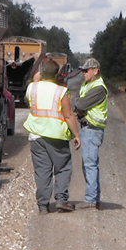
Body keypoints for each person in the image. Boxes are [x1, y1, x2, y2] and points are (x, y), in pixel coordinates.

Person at [23, 60, 81, 214]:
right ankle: (61, 200)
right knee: (63, 168)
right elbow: (68, 115)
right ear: (56, 75)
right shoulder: (60, 91)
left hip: (36, 136)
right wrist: (76, 134)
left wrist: (38, 76)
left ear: (41, 73)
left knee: (42, 171)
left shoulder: (32, 88)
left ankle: (43, 206)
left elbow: (30, 94)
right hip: (57, 136)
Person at [74, 58, 108, 210]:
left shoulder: (98, 88)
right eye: (82, 71)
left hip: (92, 129)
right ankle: (95, 198)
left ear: (96, 70)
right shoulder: (87, 85)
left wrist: (78, 105)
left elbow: (79, 104)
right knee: (89, 164)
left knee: (89, 165)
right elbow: (78, 101)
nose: (84, 73)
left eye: (86, 70)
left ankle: (91, 199)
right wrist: (78, 104)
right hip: (88, 128)